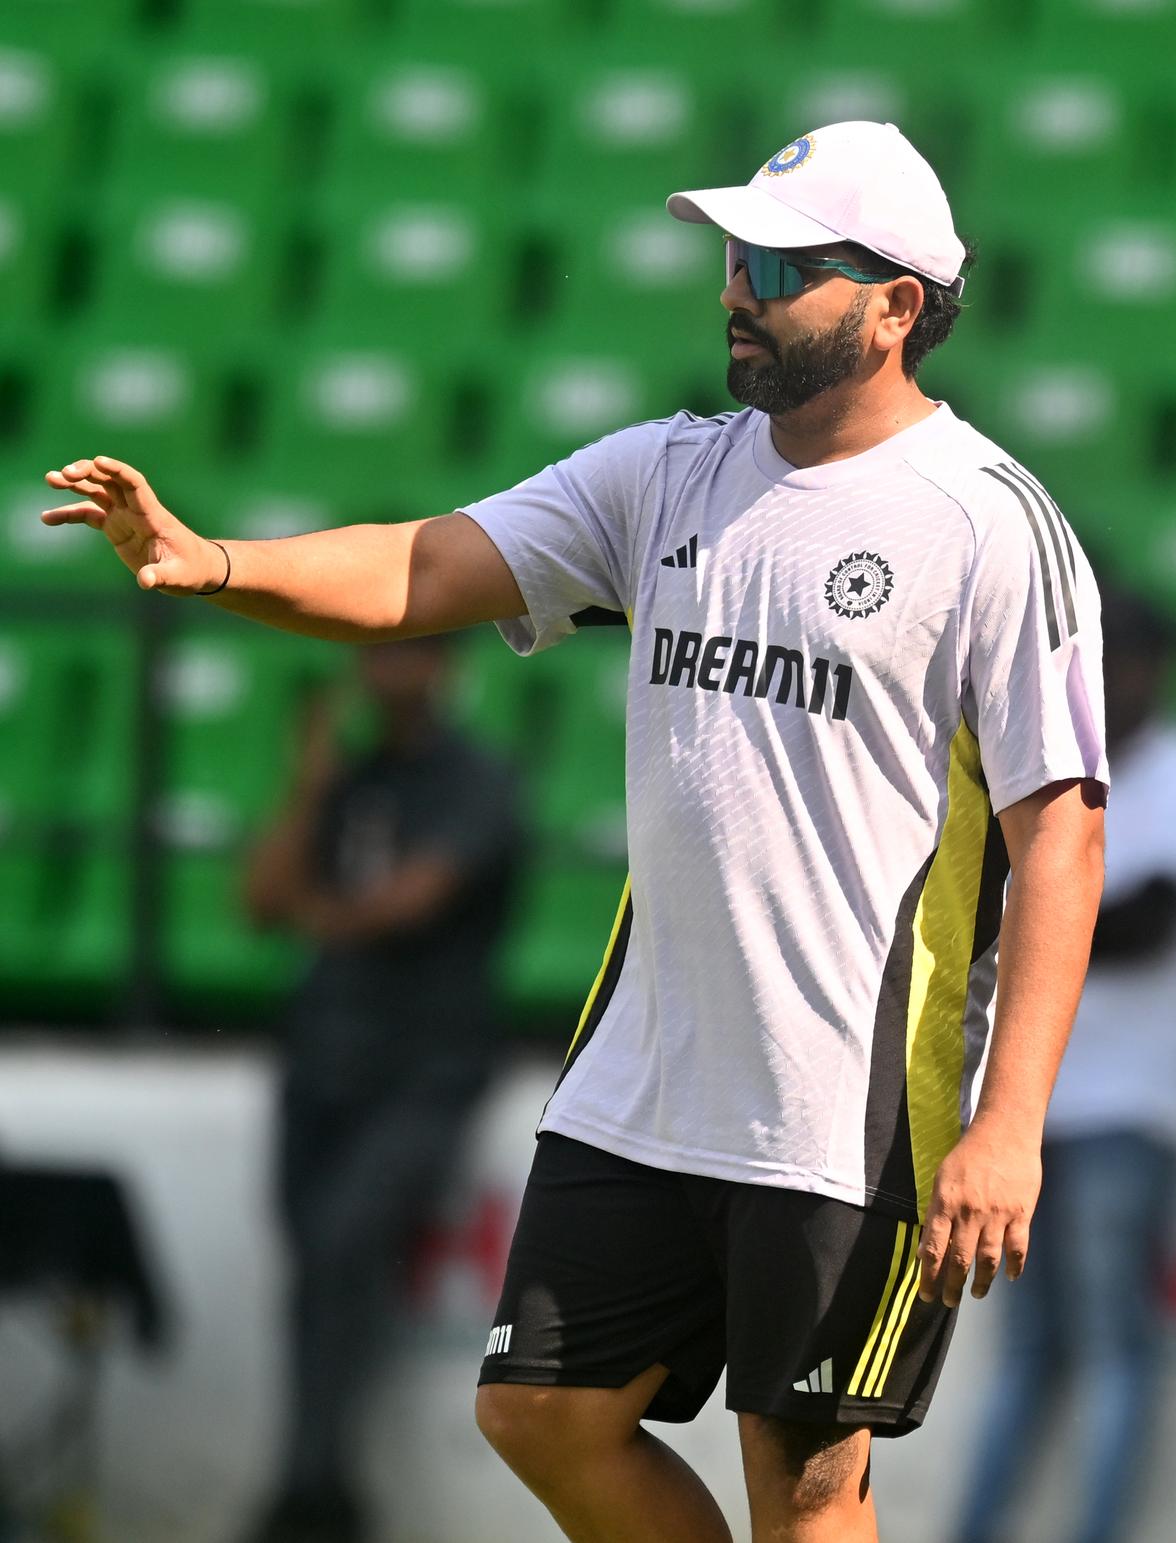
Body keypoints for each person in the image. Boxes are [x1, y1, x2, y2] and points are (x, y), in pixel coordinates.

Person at [41, 119, 1107, 1543]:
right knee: (541, 1407)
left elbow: (1064, 838)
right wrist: (214, 560)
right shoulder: (667, 472)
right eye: (733, 254)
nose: (737, 285)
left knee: (806, 1487)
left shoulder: (989, 526)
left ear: (896, 303)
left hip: (846, 1112)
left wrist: (1010, 1123)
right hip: (644, 1082)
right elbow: (422, 564)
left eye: (782, 263)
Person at [238, 637, 521, 1543]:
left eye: (411, 652)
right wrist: (309, 786)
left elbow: (407, 903)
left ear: (446, 666)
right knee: (312, 1263)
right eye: (377, 653)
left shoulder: (477, 781)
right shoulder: (348, 781)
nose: (390, 670)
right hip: (321, 1059)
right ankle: (313, 1485)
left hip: (423, 1069)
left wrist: (317, 915)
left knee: (341, 1241)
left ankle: (313, 1493)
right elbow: (258, 899)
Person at [956, 584, 1176, 1543]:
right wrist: (1055, 910)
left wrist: (1041, 916)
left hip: (1131, 1111)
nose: (1118, 681)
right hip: (1030, 1115)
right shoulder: (1051, 774)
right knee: (1027, 1355)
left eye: (1133, 663)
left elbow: (1150, 925)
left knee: (1108, 1354)